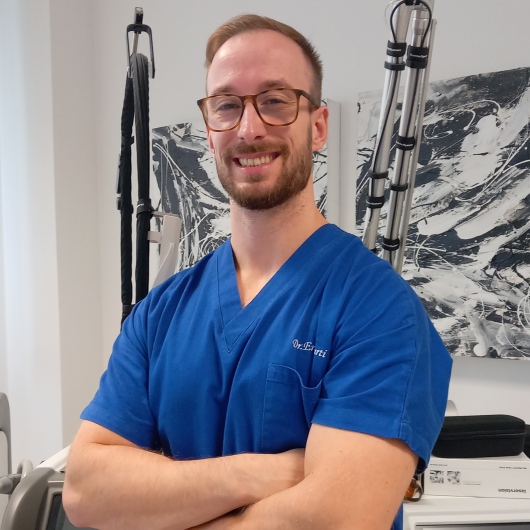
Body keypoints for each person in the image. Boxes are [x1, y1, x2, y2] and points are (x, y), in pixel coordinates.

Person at [63, 14, 452, 530]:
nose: (249, 129)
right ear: (209, 133)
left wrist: (164, 505)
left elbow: (339, 520)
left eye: (275, 100)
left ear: (317, 126)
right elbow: (85, 490)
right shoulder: (160, 313)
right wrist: (257, 473)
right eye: (227, 105)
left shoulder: (379, 309)